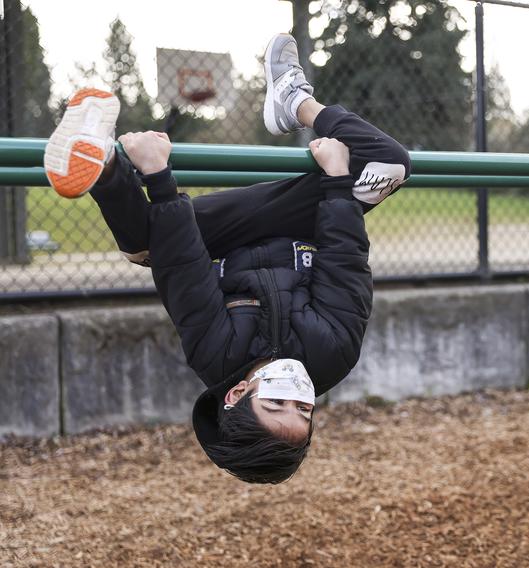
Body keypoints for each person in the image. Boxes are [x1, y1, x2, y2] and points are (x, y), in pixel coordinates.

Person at [43, 33, 410, 484]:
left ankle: (99, 156)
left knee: (148, 246)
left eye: (276, 402)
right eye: (303, 410)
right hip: (295, 225)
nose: (296, 393)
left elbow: (185, 274)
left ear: (236, 393)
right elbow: (345, 261)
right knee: (387, 164)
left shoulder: (216, 358)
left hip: (214, 239)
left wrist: (158, 175)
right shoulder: (333, 355)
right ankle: (294, 101)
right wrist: (336, 178)